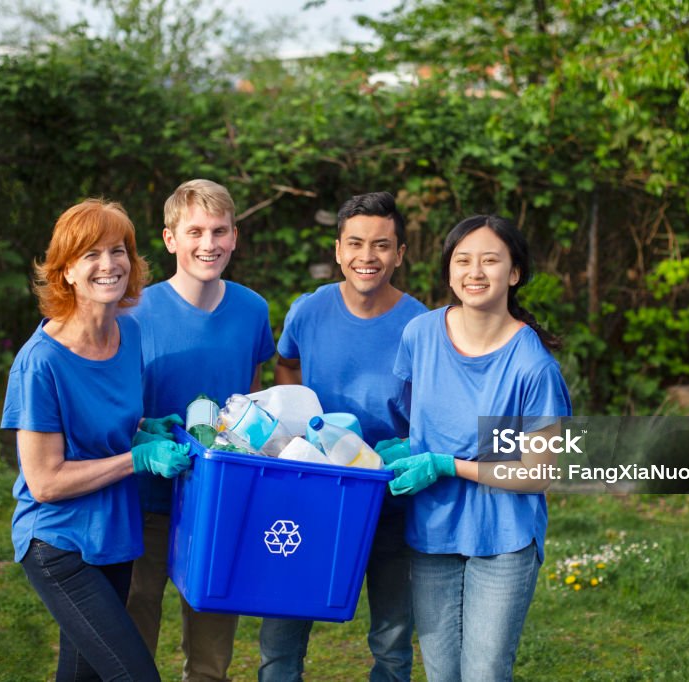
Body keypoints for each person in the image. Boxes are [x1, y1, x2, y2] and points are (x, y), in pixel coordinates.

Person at [3, 198, 193, 681]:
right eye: (90, 255)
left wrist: (144, 430)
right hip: (58, 542)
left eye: (118, 251)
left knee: (83, 676)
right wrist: (138, 458)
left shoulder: (127, 334)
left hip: (114, 534)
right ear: (65, 271)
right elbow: (45, 481)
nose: (109, 265)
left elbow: (108, 428)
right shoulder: (40, 363)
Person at [387, 214, 572, 682]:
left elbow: (537, 473)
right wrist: (405, 447)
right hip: (432, 529)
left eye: (490, 260)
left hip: (504, 536)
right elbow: (411, 417)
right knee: (442, 673)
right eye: (462, 260)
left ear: (514, 273)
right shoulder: (420, 336)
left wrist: (448, 464)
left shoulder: (533, 367)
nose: (475, 272)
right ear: (449, 271)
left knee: (485, 673)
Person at [259, 191, 427, 682]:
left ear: (399, 254)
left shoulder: (420, 326)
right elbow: (286, 364)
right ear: (338, 250)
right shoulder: (308, 312)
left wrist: (409, 449)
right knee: (280, 640)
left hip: (388, 500)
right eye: (355, 244)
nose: (367, 257)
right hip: (308, 497)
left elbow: (430, 409)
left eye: (381, 245)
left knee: (392, 642)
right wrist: (297, 434)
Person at [125, 179, 276, 682]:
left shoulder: (253, 310)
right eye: (194, 232)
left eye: (219, 231)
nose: (207, 243)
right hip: (145, 496)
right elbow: (117, 408)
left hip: (218, 499)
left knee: (212, 642)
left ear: (235, 236)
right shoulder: (134, 312)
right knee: (134, 619)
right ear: (170, 239)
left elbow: (250, 399)